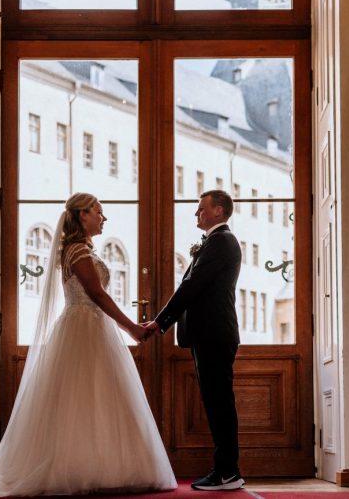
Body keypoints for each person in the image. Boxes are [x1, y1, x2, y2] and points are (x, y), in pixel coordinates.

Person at [0, 193, 176, 496]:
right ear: (82, 215)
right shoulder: (77, 251)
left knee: (96, 396)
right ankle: (82, 467)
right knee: (83, 396)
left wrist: (125, 328)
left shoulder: (80, 249)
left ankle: (99, 466)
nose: (104, 218)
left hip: (91, 327)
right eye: (99, 212)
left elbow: (98, 297)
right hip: (84, 329)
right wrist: (130, 328)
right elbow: (98, 295)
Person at [143, 190, 243, 491]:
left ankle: (227, 473)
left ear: (218, 211)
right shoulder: (215, 242)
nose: (196, 214)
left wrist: (160, 322)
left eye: (201, 209)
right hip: (209, 333)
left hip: (214, 333)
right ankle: (227, 470)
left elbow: (192, 286)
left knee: (219, 403)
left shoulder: (222, 241)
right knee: (216, 403)